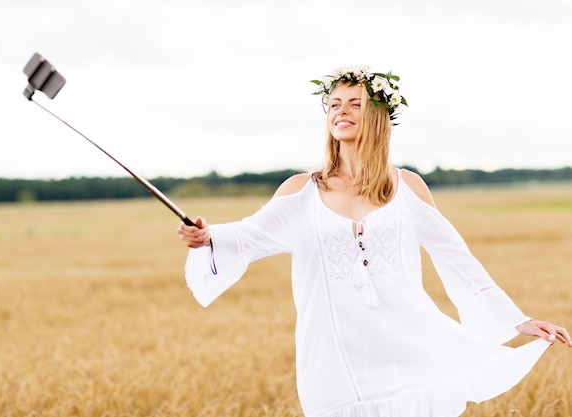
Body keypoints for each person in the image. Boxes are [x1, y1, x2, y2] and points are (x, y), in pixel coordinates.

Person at [176, 65, 571, 417]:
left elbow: (456, 259)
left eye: (354, 103)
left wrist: (516, 321)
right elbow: (247, 236)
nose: (341, 111)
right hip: (337, 364)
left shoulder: (408, 186)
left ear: (379, 117)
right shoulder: (302, 191)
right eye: (333, 104)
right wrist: (206, 236)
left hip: (410, 354)